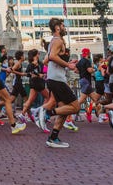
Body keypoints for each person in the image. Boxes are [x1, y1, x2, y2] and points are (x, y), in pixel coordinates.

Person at [41, 18, 79, 148]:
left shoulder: (53, 41)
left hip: (55, 78)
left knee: (64, 110)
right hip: (57, 79)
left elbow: (46, 60)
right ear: (57, 28)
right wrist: (67, 65)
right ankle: (47, 113)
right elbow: (51, 57)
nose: (64, 27)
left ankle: (53, 138)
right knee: (75, 107)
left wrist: (65, 65)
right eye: (63, 25)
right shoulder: (57, 40)